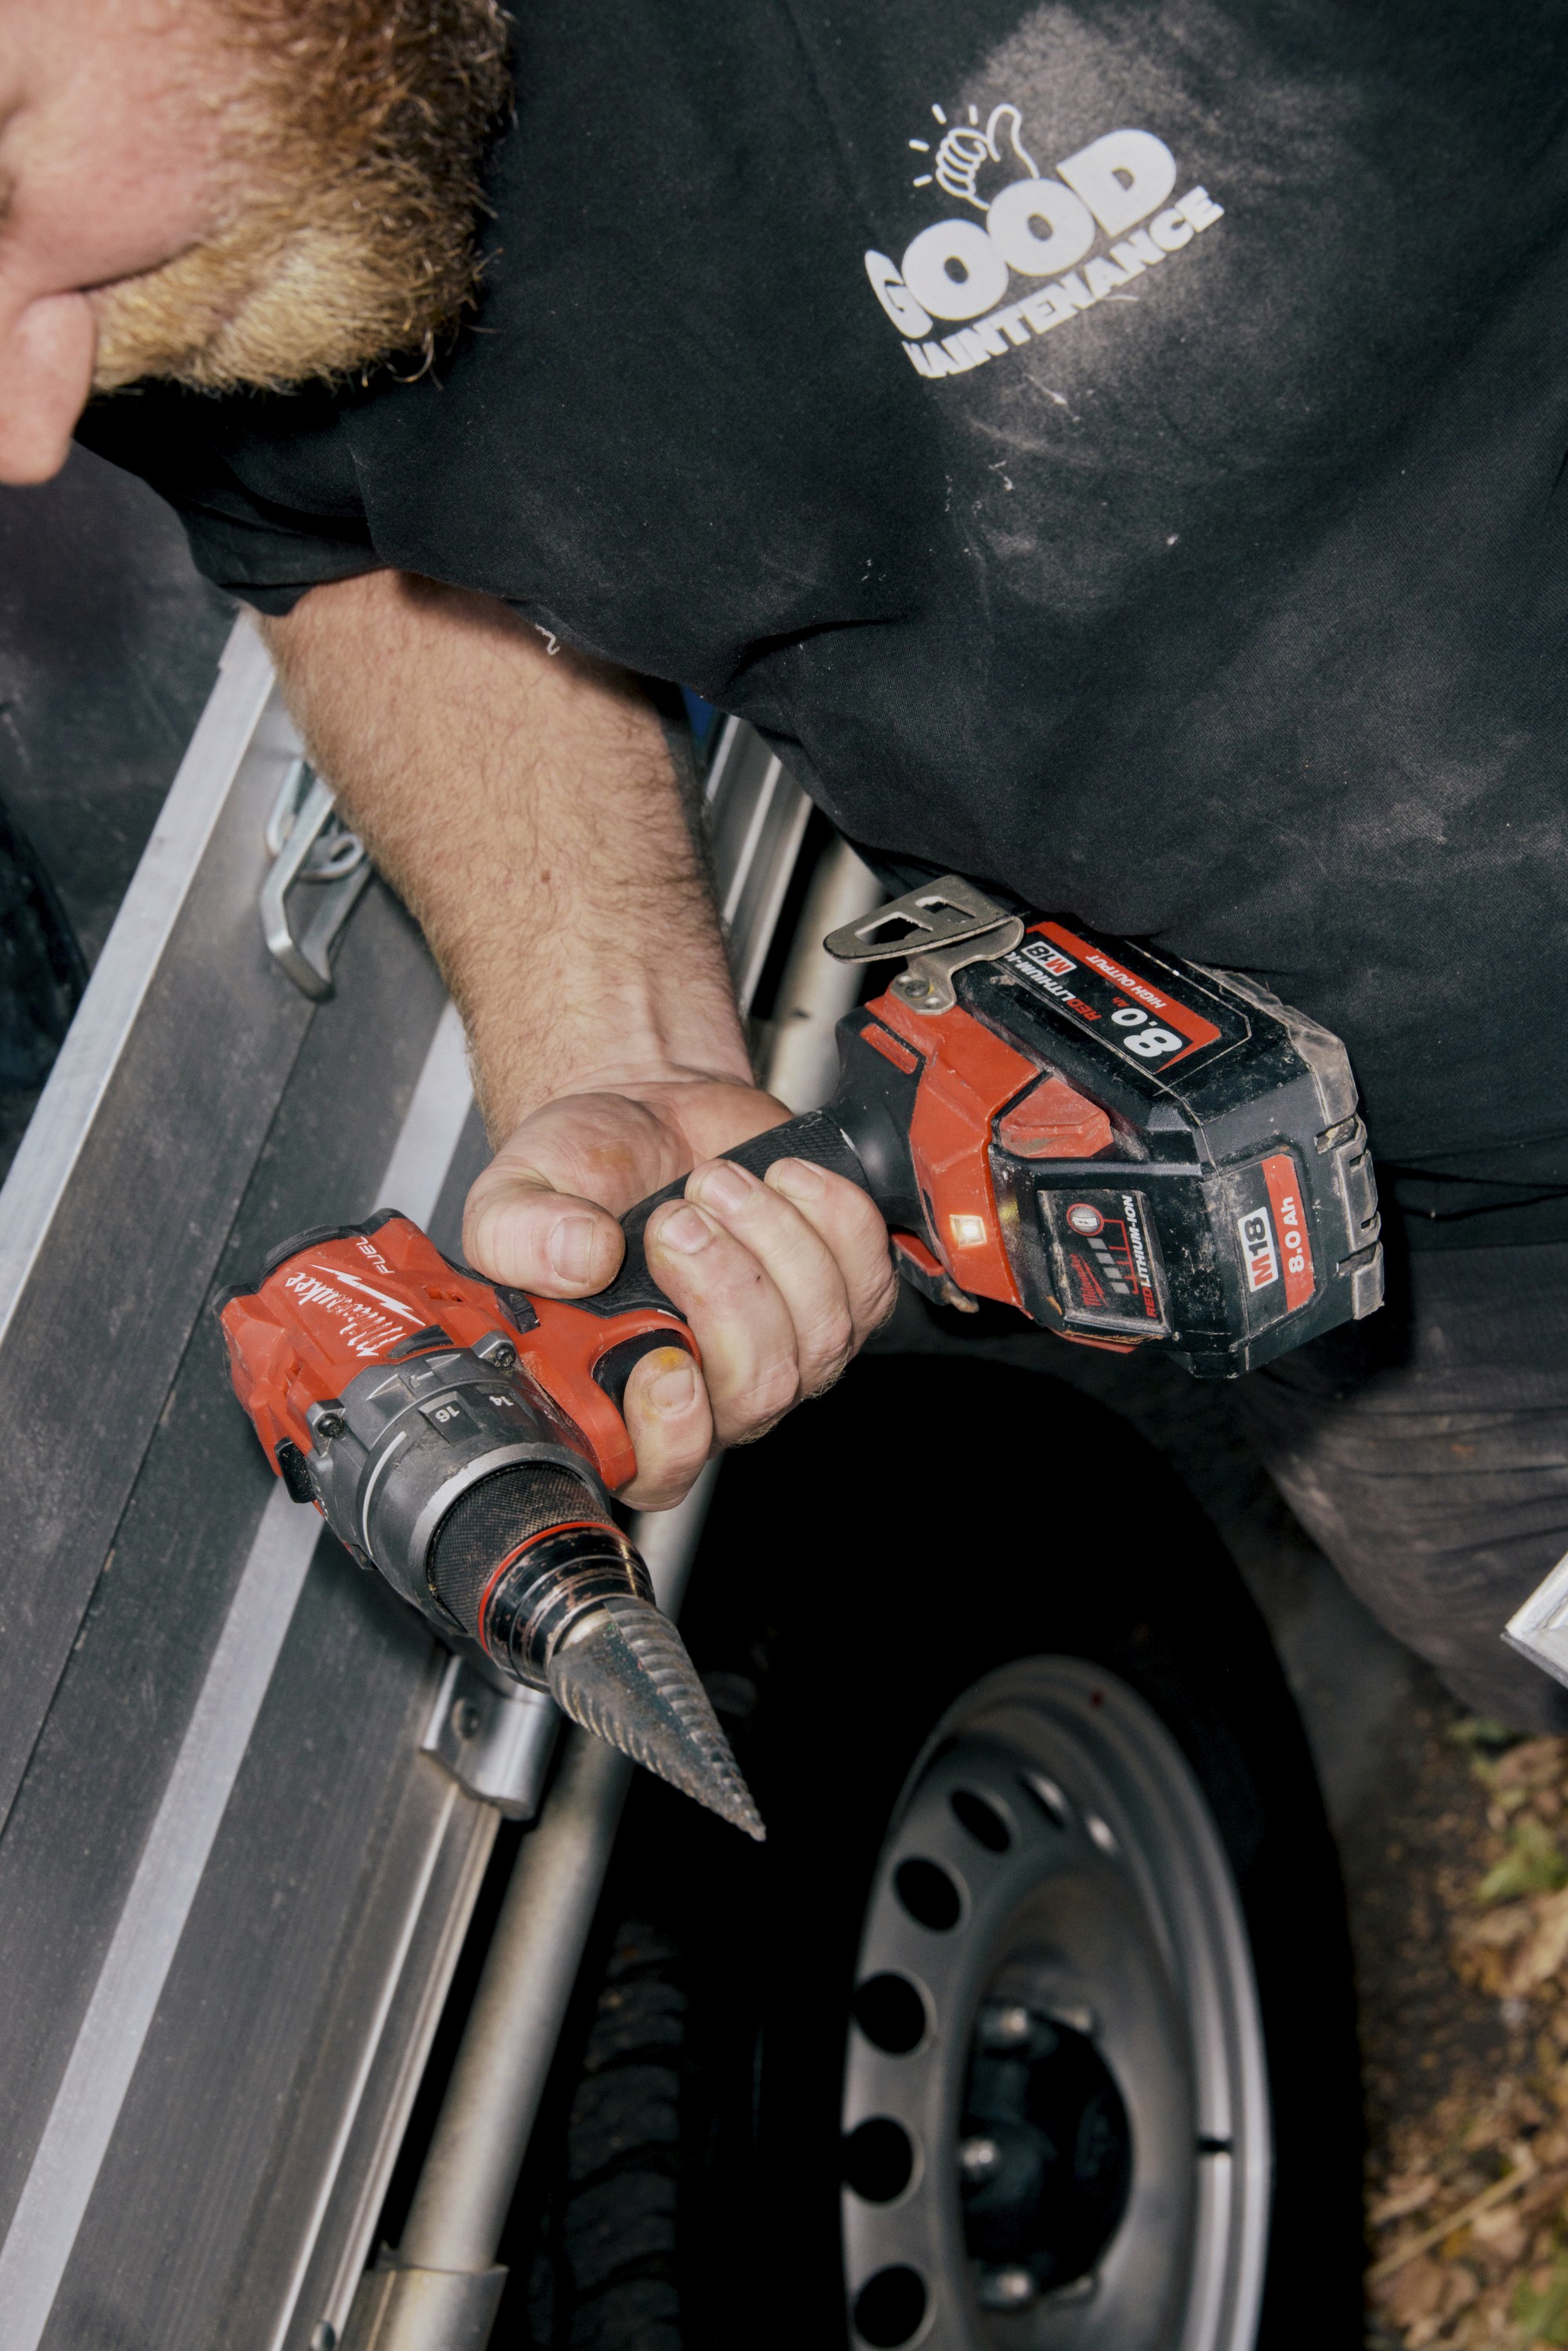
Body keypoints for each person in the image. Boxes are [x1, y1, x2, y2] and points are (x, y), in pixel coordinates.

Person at [8, 0, 1568, 1727]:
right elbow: (328, 538)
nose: (29, 423)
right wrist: (624, 1042)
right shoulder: (143, 265)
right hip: (1364, 1242)